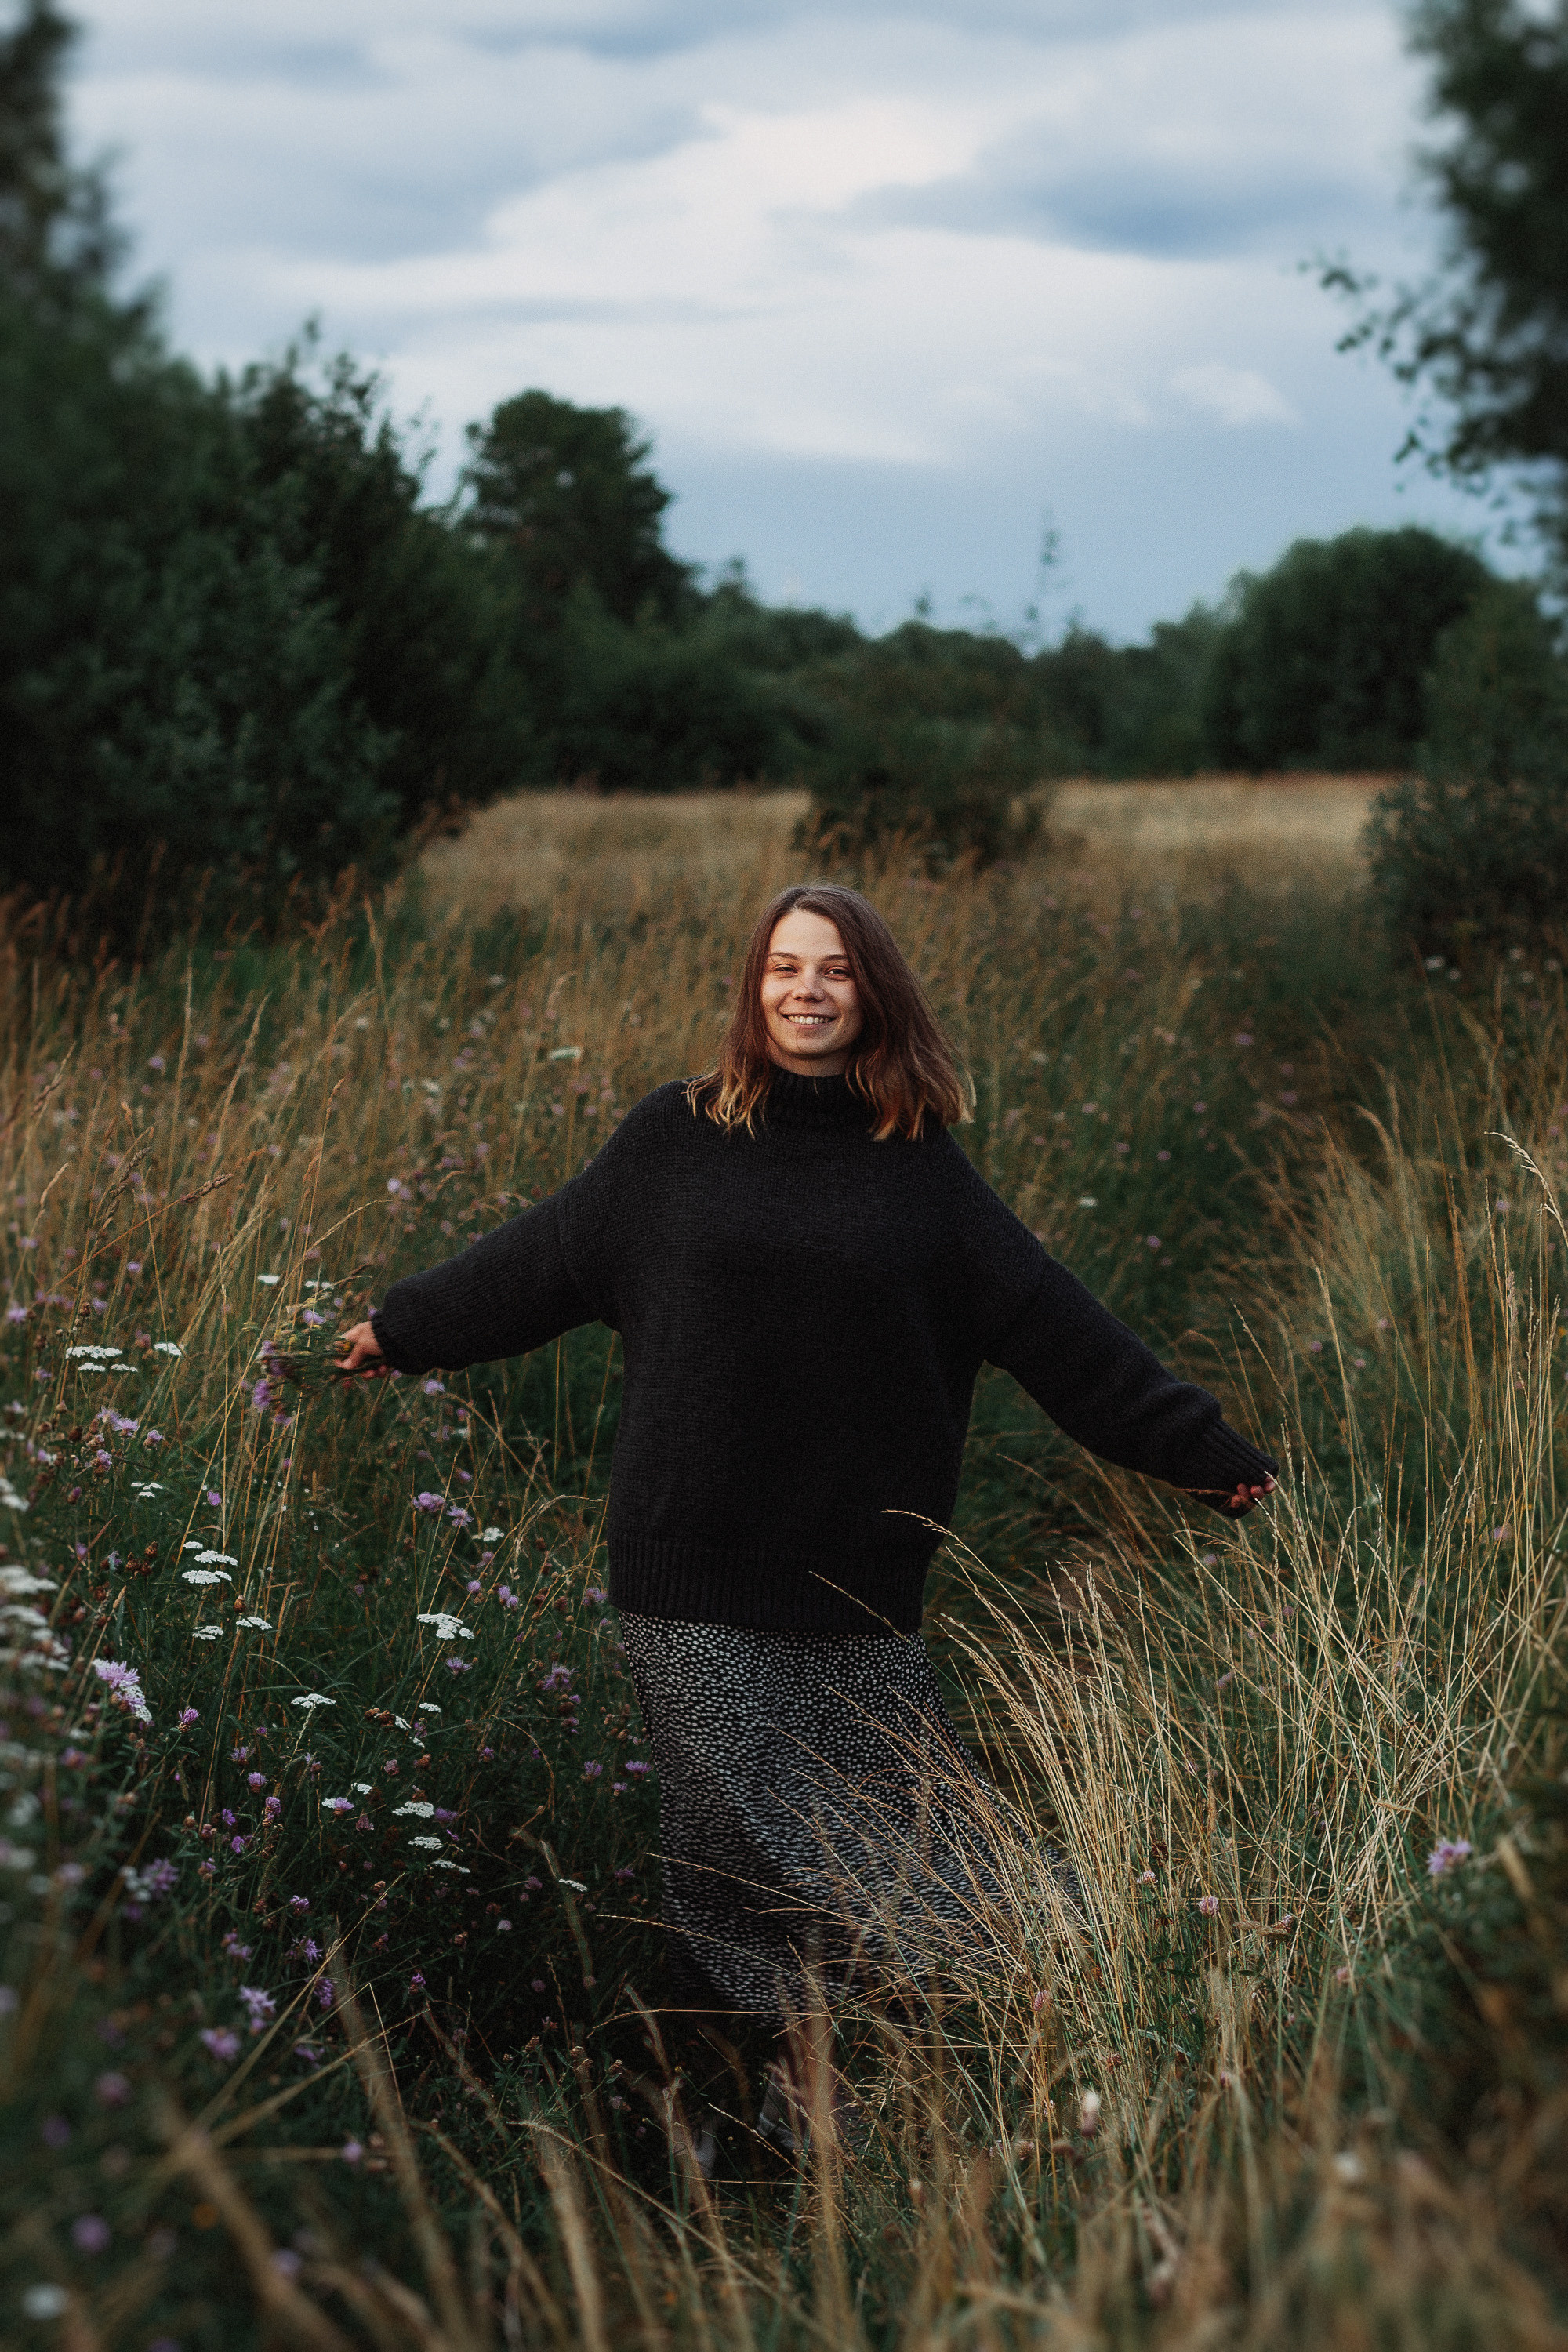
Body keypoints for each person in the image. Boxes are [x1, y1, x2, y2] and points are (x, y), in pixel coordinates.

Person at [339, 881, 1276, 2152]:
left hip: (856, 1578)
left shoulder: (924, 1174)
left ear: (873, 992)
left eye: (833, 970)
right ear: (753, 988)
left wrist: (1195, 1450)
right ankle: (764, 2110)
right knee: (740, 1841)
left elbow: (1061, 1332)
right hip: (694, 1566)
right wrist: (406, 1329)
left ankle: (1058, 1988)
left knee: (893, 1836)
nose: (806, 990)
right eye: (783, 967)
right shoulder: (672, 1139)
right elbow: (541, 1262)